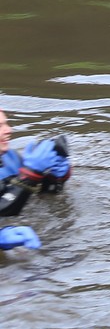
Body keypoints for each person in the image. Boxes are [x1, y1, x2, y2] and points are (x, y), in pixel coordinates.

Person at [0, 108, 71, 251]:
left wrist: (54, 178)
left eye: (6, 123)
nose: (9, 130)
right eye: (0, 126)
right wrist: (30, 175)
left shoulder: (10, 158)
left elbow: (35, 196)